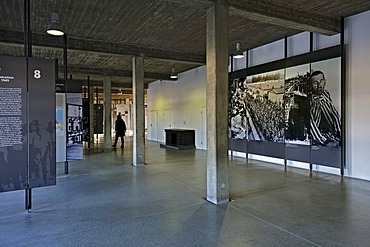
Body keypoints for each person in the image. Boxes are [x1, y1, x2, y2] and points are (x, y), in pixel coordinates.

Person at [309, 70, 341, 147]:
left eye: (321, 81)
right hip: (318, 139)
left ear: (325, 82)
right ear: (311, 85)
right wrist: (325, 142)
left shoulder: (326, 94)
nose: (319, 85)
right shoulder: (310, 101)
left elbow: (334, 114)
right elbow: (311, 124)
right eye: (315, 83)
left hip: (331, 135)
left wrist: (340, 133)